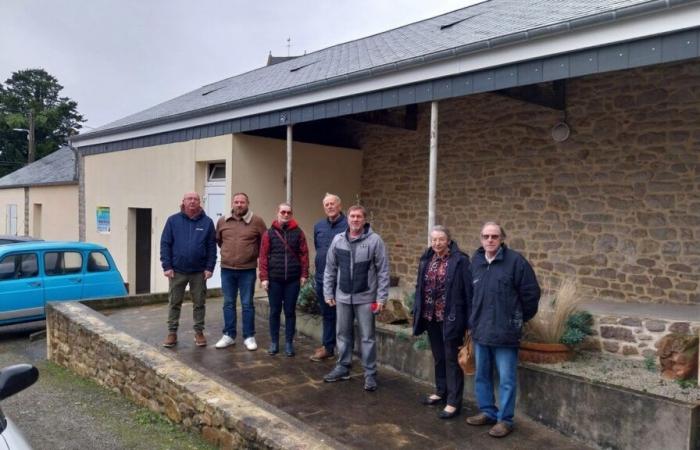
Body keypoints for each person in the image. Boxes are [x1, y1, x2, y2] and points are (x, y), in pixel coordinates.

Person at [466, 221, 541, 438]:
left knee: (507, 379)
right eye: (486, 236)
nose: (490, 240)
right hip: (481, 331)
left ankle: (505, 420)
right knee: (482, 376)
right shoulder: (476, 261)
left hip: (506, 332)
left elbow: (531, 294)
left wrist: (517, 318)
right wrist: (472, 320)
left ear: (502, 239)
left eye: (494, 236)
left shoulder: (515, 262)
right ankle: (488, 412)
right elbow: (471, 295)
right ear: (481, 238)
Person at [322, 205, 389, 392]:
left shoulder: (375, 241)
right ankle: (343, 367)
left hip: (366, 297)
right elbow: (330, 268)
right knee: (342, 334)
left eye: (359, 216)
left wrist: (381, 298)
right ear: (348, 219)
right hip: (342, 296)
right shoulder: (338, 240)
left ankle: (370, 374)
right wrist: (328, 292)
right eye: (352, 216)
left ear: (364, 219)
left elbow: (383, 271)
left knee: (367, 337)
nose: (355, 219)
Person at [413, 225, 472, 420]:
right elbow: (420, 285)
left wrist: (469, 321)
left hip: (451, 318)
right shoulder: (426, 259)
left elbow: (468, 292)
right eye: (434, 239)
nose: (437, 243)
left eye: (441, 239)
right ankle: (441, 391)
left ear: (448, 241)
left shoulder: (460, 260)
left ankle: (454, 402)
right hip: (430, 317)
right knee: (439, 357)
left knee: (452, 360)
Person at [160, 192, 217, 348]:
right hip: (177, 271)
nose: (192, 201)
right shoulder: (173, 221)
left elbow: (212, 247)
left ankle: (199, 332)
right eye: (189, 199)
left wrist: (209, 267)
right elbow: (165, 244)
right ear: (183, 202)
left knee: (199, 303)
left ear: (200, 202)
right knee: (174, 302)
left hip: (199, 272)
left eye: (195, 199)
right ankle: (172, 333)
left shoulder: (207, 222)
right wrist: (167, 266)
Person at [214, 193, 267, 351]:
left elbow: (264, 243)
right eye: (236, 202)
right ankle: (229, 335)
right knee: (228, 303)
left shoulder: (257, 221)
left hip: (247, 270)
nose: (239, 205)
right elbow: (219, 241)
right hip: (227, 269)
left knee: (247, 304)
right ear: (232, 203)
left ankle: (249, 336)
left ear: (247, 203)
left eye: (242, 202)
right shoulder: (223, 221)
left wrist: (251, 254)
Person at [258, 203, 309, 357]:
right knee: (274, 311)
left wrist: (304, 275)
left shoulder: (299, 233)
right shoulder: (269, 233)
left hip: (292, 280)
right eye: (283, 212)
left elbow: (304, 255)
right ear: (277, 213)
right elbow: (263, 256)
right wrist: (264, 277)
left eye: (288, 212)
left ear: (291, 214)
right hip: (274, 280)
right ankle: (274, 342)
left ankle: (288, 343)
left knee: (290, 312)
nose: (286, 215)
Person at [310, 193, 347, 362]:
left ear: (339, 206)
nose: (330, 207)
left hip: (343, 279)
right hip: (322, 278)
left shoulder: (349, 225)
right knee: (327, 314)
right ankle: (328, 347)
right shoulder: (318, 226)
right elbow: (319, 249)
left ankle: (344, 351)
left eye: (333, 204)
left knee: (345, 316)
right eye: (327, 204)